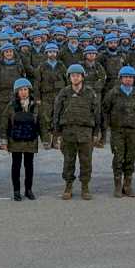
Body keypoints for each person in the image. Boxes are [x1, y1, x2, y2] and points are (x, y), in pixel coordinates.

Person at [52, 64, 101, 200]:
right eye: (73, 75)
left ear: (83, 77)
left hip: (85, 132)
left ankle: (85, 187)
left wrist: (96, 132)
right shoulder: (64, 93)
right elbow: (56, 113)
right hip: (68, 132)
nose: (75, 78)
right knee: (68, 161)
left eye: (78, 75)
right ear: (69, 78)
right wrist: (57, 134)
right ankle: (68, 186)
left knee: (86, 161)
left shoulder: (90, 93)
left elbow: (97, 114)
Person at [102, 66, 135, 198]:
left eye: (130, 77)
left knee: (131, 157)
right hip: (118, 131)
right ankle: (118, 185)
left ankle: (128, 185)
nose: (128, 80)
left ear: (134, 79)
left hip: (133, 131)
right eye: (125, 77)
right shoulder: (113, 93)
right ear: (121, 79)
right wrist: (107, 126)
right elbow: (105, 109)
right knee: (118, 158)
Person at [0, 78, 40, 201]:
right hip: (15, 141)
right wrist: (4, 141)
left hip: (30, 141)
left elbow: (42, 123)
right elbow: (4, 124)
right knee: (16, 166)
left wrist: (46, 140)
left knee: (29, 166)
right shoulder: (11, 106)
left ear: (29, 91)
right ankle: (16, 191)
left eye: (25, 89)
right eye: (21, 90)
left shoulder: (35, 106)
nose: (23, 92)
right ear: (16, 92)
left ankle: (28, 190)